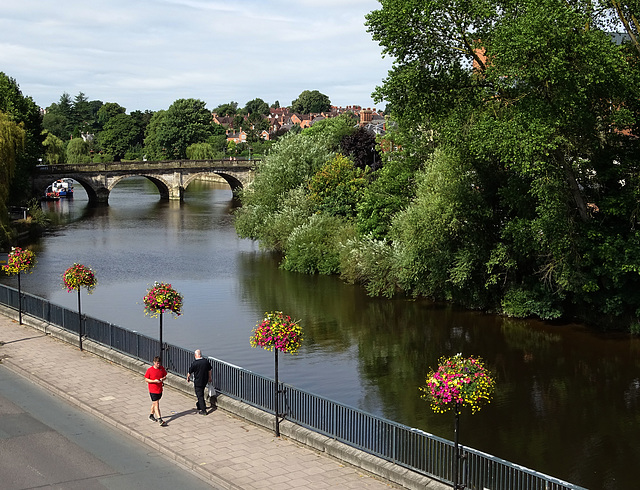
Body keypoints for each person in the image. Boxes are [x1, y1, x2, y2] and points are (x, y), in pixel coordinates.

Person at [187, 349, 212, 415]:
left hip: (198, 381)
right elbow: (209, 370)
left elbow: (189, 372)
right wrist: (209, 378)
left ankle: (203, 410)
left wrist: (188, 378)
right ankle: (199, 405)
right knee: (201, 393)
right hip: (205, 380)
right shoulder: (206, 362)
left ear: (195, 355)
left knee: (200, 395)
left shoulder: (194, 363)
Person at [144, 356, 168, 426]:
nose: (158, 365)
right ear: (154, 362)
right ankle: (160, 419)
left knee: (154, 403)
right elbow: (146, 379)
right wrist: (153, 381)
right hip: (152, 390)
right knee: (156, 403)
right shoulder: (149, 370)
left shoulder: (161, 369)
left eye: (159, 363)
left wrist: (161, 379)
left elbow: (165, 376)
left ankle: (151, 415)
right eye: (157, 363)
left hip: (160, 389)